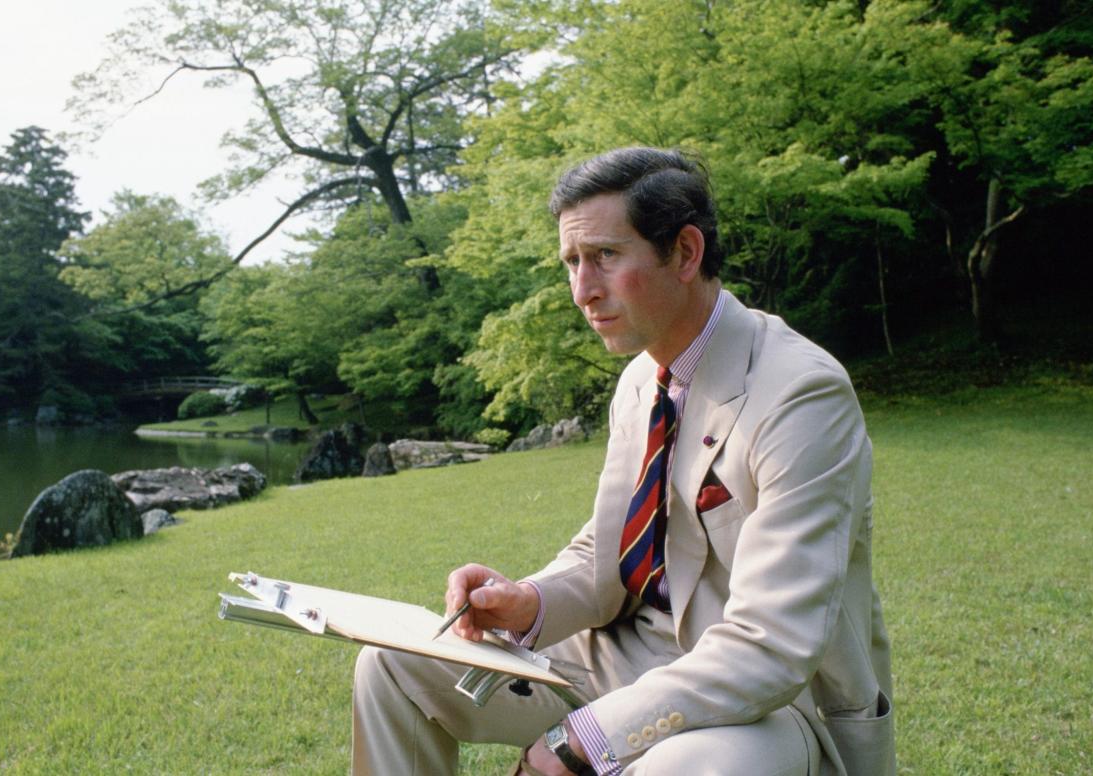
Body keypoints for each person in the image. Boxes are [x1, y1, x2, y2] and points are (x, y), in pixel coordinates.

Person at [352, 147, 894, 775]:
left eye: (605, 256)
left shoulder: (801, 394)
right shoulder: (640, 381)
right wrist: (527, 600)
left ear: (686, 253)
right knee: (391, 663)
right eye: (572, 262)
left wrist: (577, 740)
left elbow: (771, 644)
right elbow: (613, 550)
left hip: (768, 704)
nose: (583, 290)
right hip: (621, 654)